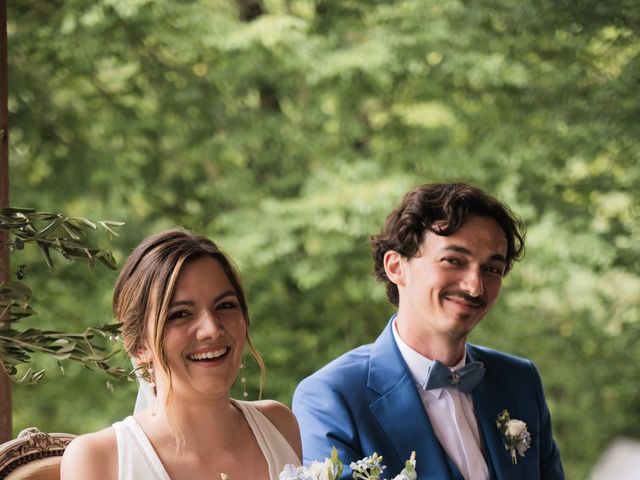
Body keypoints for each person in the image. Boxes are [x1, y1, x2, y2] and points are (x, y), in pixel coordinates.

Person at [293, 182, 565, 479]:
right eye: (453, 260)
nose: (474, 286)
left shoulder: (520, 380)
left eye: (491, 269)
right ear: (396, 266)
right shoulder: (331, 396)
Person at [62, 229, 301, 480]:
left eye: (225, 306)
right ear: (140, 345)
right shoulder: (99, 459)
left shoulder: (279, 425)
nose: (211, 329)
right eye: (180, 314)